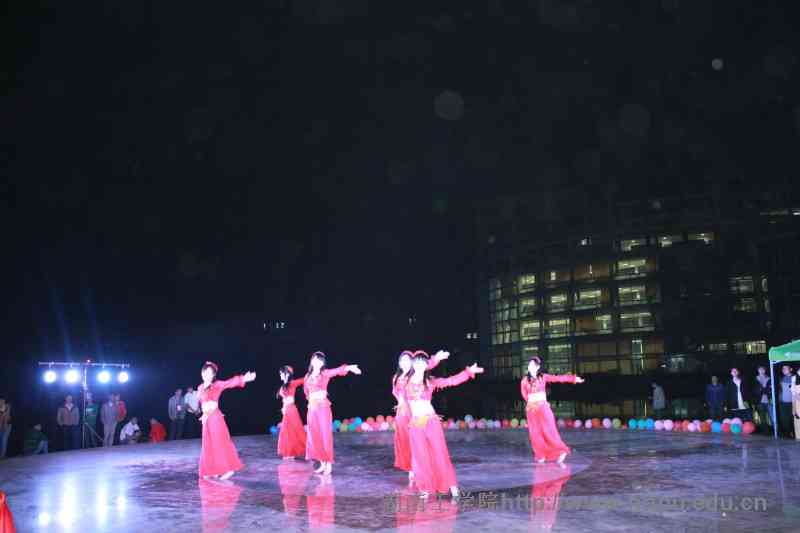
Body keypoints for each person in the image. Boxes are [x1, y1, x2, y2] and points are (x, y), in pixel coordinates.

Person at [403, 351, 483, 498]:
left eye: (423, 362)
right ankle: (426, 488)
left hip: (431, 421)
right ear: (413, 364)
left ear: (426, 365)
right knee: (421, 457)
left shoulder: (430, 381)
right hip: (416, 424)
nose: (420, 365)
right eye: (417, 361)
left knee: (440, 453)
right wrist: (435, 359)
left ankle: (451, 485)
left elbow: (450, 381)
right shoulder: (404, 381)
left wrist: (467, 372)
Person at [303, 352, 361, 475]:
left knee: (325, 436)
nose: (317, 362)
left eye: (320, 360)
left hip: (322, 408)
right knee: (314, 436)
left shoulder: (324, 373)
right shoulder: (307, 376)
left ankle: (328, 462)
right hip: (312, 409)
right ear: (311, 361)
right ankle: (321, 462)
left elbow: (335, 371)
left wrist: (348, 368)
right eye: (315, 359)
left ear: (323, 363)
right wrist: (311, 400)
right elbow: (306, 391)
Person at [392, 349, 446, 480]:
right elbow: (396, 393)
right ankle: (411, 467)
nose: (404, 362)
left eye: (407, 360)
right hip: (402, 414)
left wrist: (436, 359)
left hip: (414, 412)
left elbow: (426, 364)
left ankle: (424, 468)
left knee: (418, 442)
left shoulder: (414, 376)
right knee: (405, 441)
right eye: (402, 360)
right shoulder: (396, 377)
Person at [197, 361, 256, 480]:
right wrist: (203, 413)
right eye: (205, 372)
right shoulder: (200, 387)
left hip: (215, 418)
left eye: (210, 373)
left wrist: (243, 378)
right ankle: (212, 470)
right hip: (206, 419)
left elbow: (229, 383)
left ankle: (228, 469)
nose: (207, 374)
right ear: (202, 373)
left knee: (219, 443)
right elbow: (202, 402)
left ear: (213, 375)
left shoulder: (217, 385)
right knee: (208, 445)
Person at [521, 356, 584, 464]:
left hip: (543, 407)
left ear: (538, 367)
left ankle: (561, 451)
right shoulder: (524, 380)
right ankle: (540, 455)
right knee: (535, 433)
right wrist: (531, 403)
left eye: (533, 365)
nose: (530, 366)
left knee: (549, 431)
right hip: (531, 410)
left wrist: (573, 379)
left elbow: (558, 378)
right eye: (529, 364)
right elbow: (524, 394)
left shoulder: (543, 377)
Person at [276, 365, 306, 460]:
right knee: (288, 432)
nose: (280, 375)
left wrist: (312, 375)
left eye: (281, 373)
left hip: (291, 410)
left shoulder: (292, 383)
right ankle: (290, 453)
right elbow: (284, 399)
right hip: (286, 410)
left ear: (287, 374)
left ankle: (309, 449)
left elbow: (303, 380)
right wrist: (283, 407)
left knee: (296, 430)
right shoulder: (283, 385)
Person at [753, 366, 773, 434]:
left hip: (769, 400)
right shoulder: (755, 379)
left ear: (765, 370)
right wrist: (762, 390)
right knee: (762, 417)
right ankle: (765, 432)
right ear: (758, 371)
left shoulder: (769, 378)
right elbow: (754, 391)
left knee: (772, 416)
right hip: (759, 401)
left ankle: (776, 431)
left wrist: (763, 390)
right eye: (760, 369)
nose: (761, 371)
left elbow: (770, 389)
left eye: (763, 369)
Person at [779, 365, 795, 438]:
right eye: (783, 368)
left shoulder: (794, 378)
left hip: (792, 402)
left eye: (785, 368)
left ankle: (794, 433)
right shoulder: (781, 378)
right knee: (784, 419)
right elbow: (781, 390)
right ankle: (787, 434)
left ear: (791, 369)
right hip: (783, 402)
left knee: (792, 418)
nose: (783, 370)